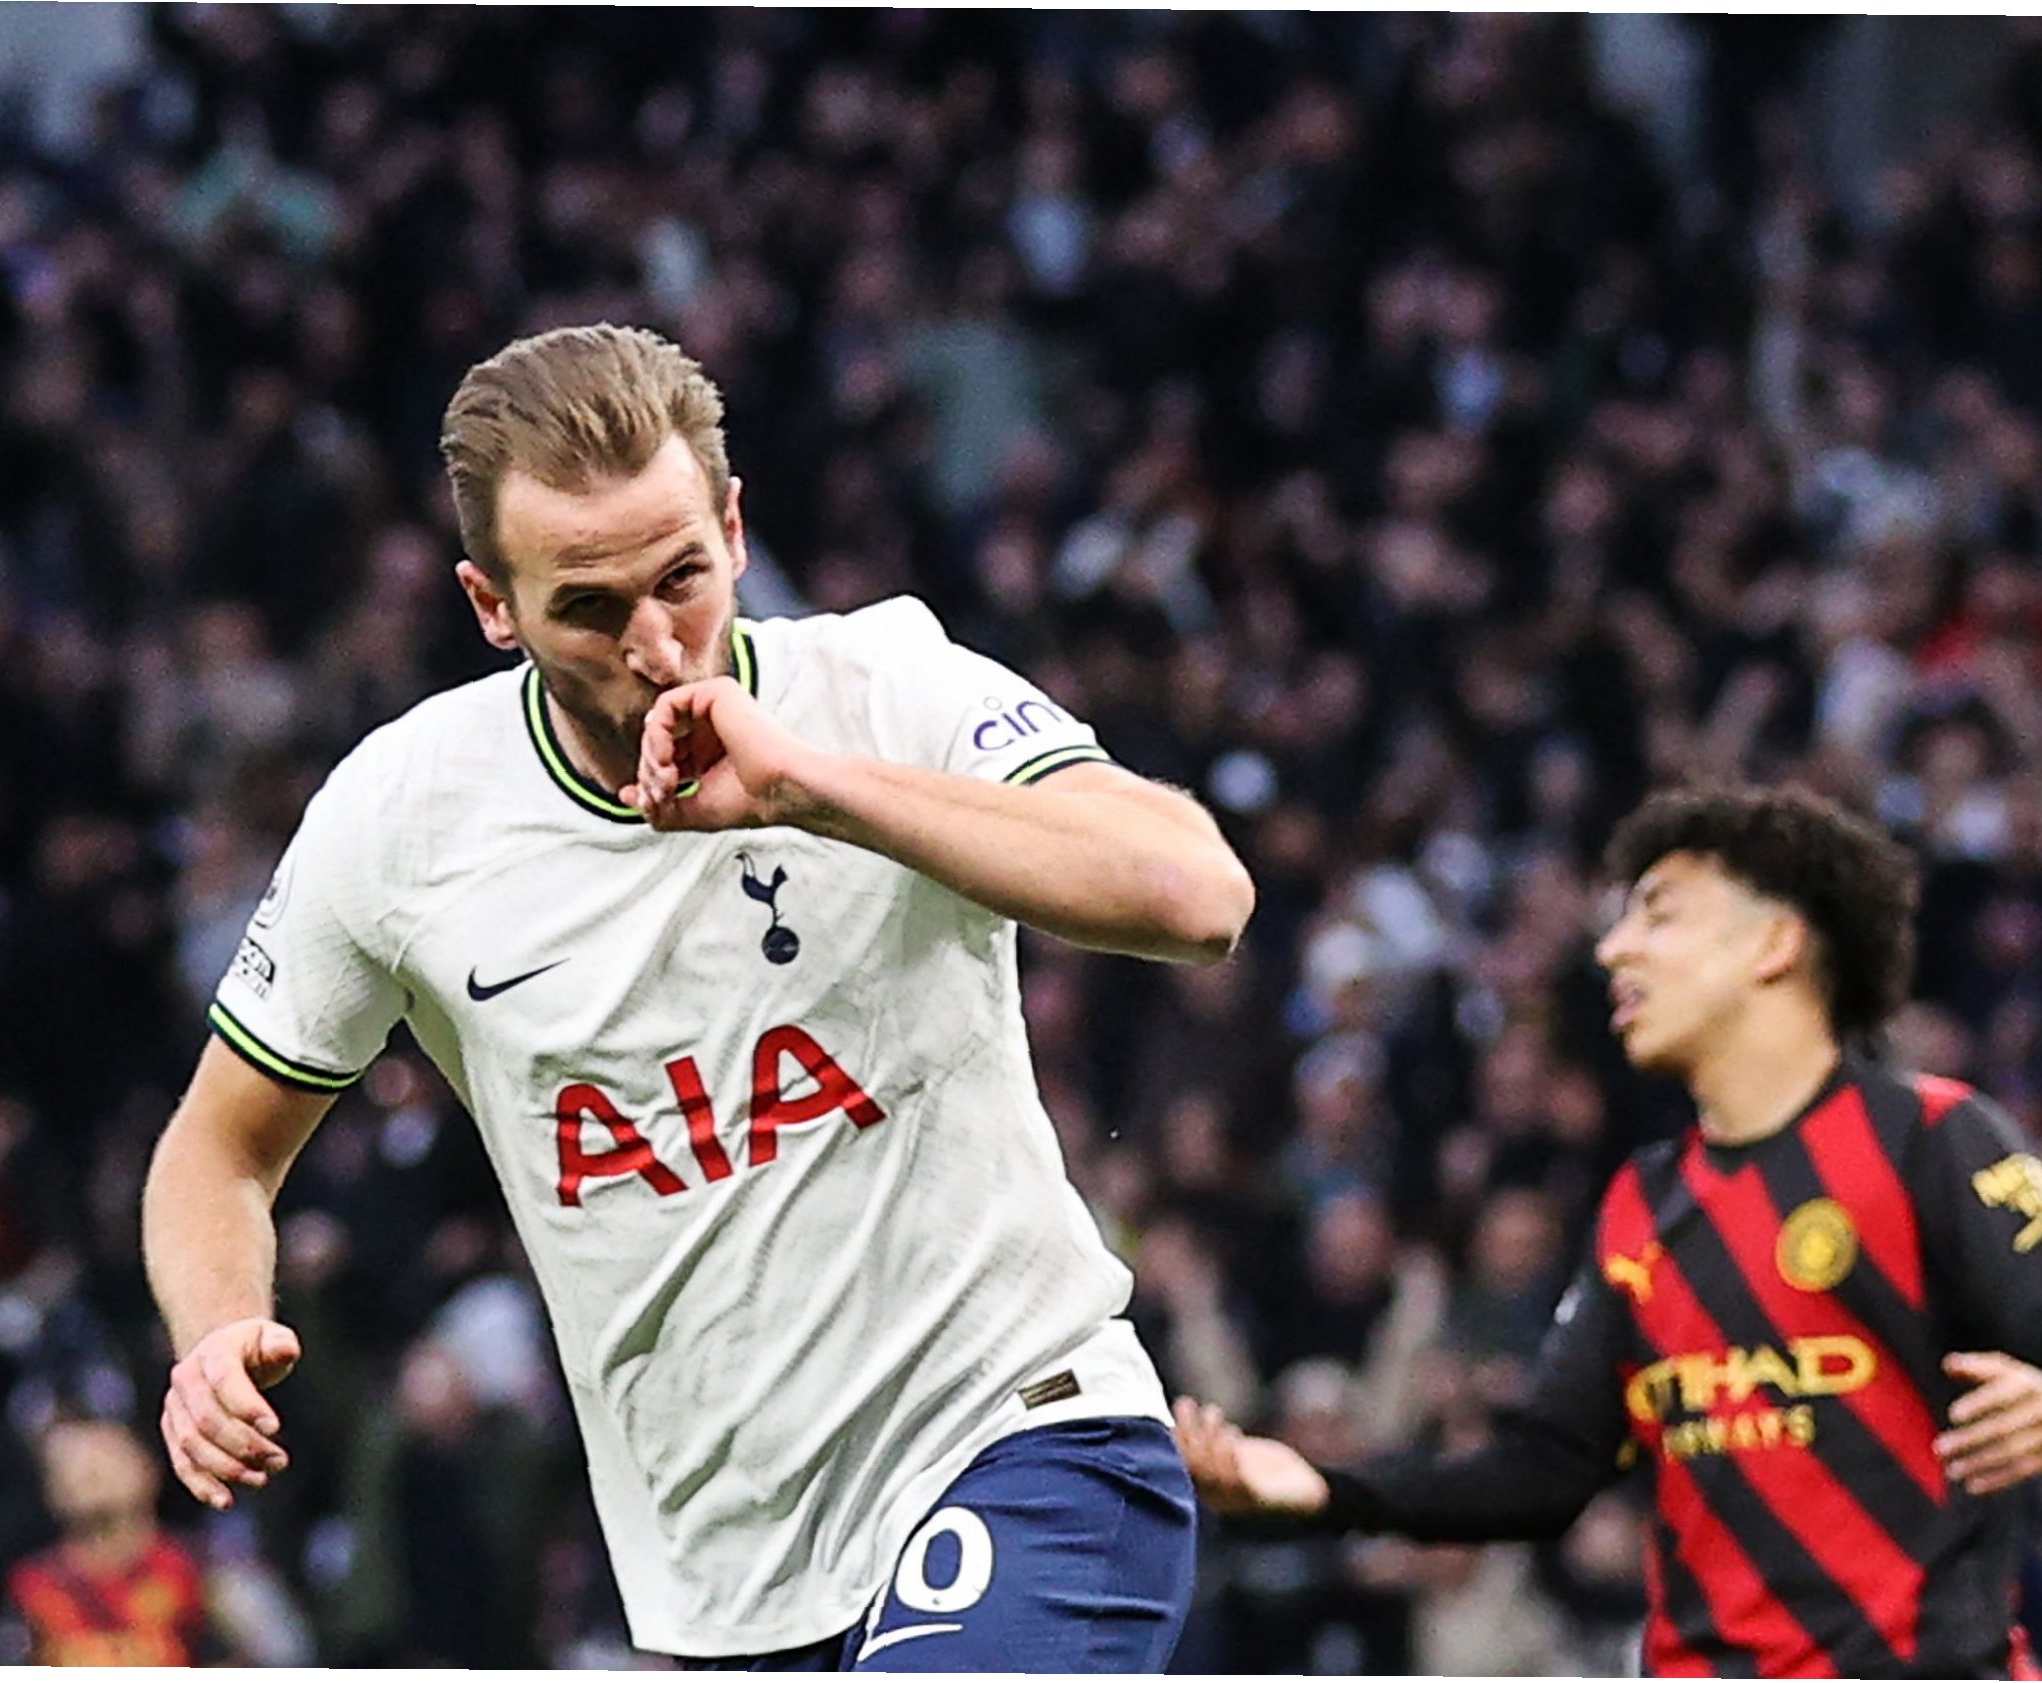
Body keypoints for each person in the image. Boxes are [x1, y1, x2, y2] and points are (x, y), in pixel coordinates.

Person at [143, 324, 1255, 1669]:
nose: (659, 645)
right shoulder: (401, 820)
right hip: (719, 1585)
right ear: (493, 607)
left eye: (682, 576)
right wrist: (215, 1330)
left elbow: (1195, 893)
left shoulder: (885, 690)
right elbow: (216, 1151)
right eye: (589, 608)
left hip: (1021, 1434)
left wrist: (810, 789)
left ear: (732, 527)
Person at [1176, 783, 2042, 1677]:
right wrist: (1324, 1488)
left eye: (1659, 916)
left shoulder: (1933, 1139)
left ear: (1773, 946)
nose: (1615, 951)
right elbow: (1544, 1467)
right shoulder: (1644, 1201)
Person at [0, 1419, 212, 1666]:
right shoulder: (31, 1588)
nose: (90, 1471)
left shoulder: (198, 1570)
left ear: (148, 1470)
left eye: (106, 1456)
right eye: (72, 1463)